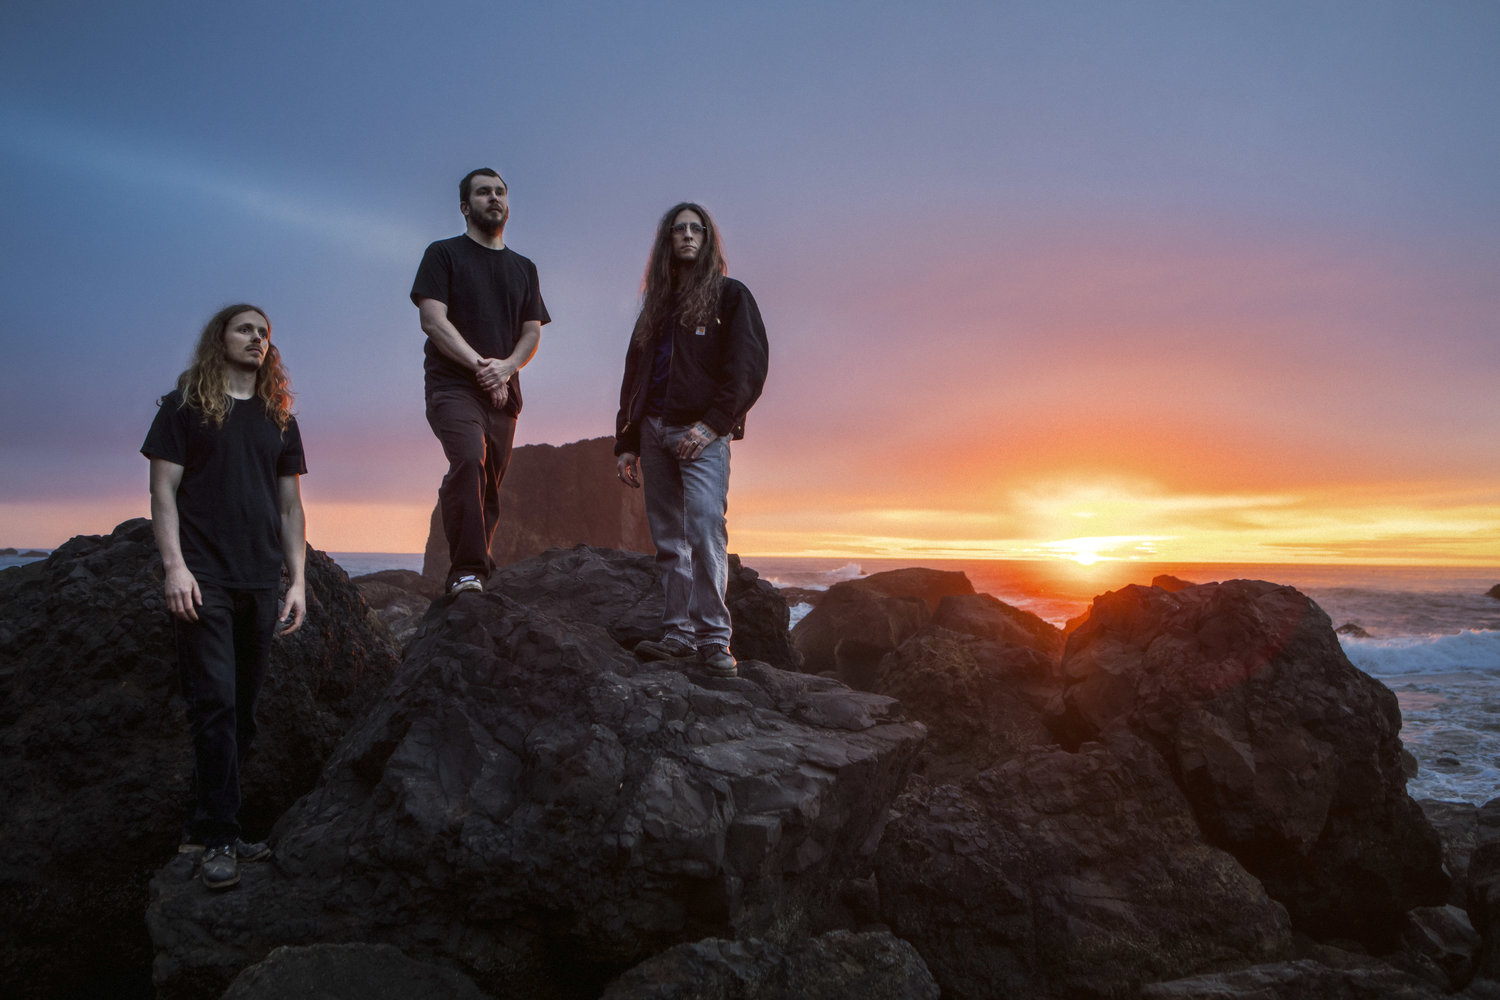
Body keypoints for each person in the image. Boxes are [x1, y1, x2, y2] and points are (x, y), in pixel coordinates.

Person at [142, 304, 307, 890]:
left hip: (262, 581)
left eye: (265, 333)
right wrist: (175, 569)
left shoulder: (278, 417)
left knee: (244, 714)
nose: (257, 339)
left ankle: (205, 826)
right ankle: (219, 838)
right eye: (246, 329)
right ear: (221, 338)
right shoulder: (184, 406)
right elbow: (163, 493)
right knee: (213, 705)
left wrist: (299, 582)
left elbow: (290, 507)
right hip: (204, 577)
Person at [614, 203, 768, 677]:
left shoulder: (730, 297)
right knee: (668, 540)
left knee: (704, 529)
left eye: (694, 228)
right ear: (666, 241)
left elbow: (747, 370)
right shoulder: (655, 308)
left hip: (703, 434)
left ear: (707, 238)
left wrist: (712, 425)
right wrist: (627, 440)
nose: (686, 235)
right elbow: (634, 376)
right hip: (654, 431)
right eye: (677, 229)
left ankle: (715, 641)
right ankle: (678, 634)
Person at [412, 168, 551, 595]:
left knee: (488, 480)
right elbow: (433, 321)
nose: (493, 198)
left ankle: (480, 567)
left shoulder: (524, 268)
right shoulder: (443, 254)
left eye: (500, 192)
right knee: (470, 459)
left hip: (504, 392)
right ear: (464, 206)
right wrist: (483, 367)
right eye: (483, 192)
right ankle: (467, 571)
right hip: (452, 386)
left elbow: (532, 331)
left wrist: (506, 368)